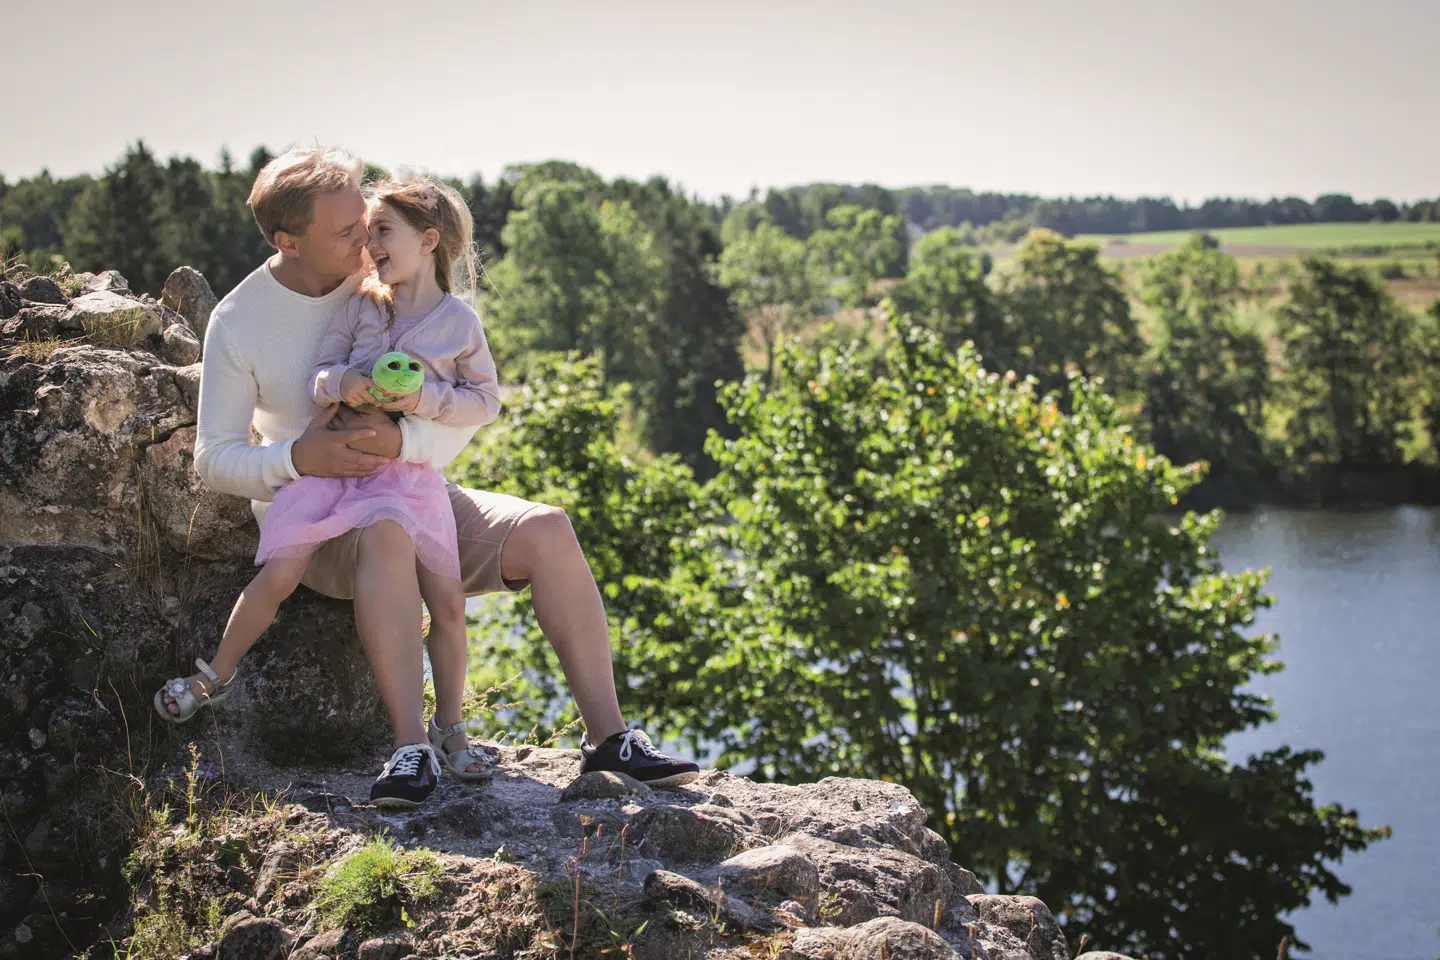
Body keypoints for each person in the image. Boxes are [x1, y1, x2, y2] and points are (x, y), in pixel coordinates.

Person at [174, 147, 698, 807]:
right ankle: (409, 751)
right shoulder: (241, 323)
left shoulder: (391, 274)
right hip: (321, 514)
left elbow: (463, 404)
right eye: (345, 232)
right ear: (289, 241)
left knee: (547, 529)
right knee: (388, 534)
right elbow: (213, 459)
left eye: (365, 222)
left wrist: (408, 438)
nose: (365, 238)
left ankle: (609, 740)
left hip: (411, 481)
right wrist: (298, 460)